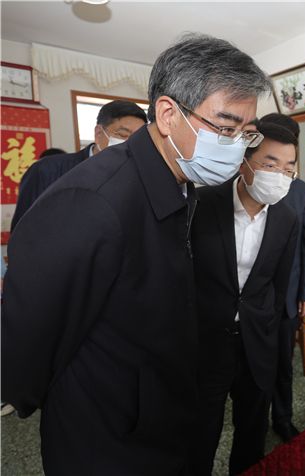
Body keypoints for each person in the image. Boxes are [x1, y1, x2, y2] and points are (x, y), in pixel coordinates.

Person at [1, 33, 270, 475]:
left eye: (246, 132)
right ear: (167, 114)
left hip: (162, 412)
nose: (237, 145)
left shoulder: (183, 183)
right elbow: (30, 336)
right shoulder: (92, 201)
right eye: (225, 128)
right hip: (107, 435)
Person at [190, 116, 299, 475]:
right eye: (270, 163)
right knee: (200, 430)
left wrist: (270, 330)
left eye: (288, 167)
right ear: (244, 162)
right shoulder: (202, 203)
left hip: (256, 340)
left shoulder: (287, 218)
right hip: (206, 339)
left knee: (252, 429)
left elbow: (279, 284)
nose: (279, 175)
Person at [263, 114, 305, 443]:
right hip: (248, 297)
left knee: (283, 364)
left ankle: (282, 417)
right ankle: (253, 418)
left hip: (287, 296)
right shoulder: (242, 179)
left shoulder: (303, 194)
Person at [10, 100, 147, 230]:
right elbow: (22, 230)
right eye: (123, 135)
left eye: (138, 138)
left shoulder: (139, 177)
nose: (131, 144)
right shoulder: (47, 171)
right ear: (99, 134)